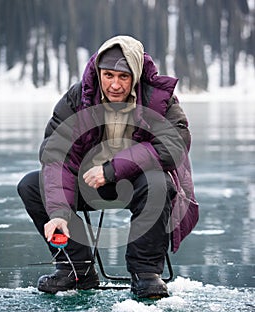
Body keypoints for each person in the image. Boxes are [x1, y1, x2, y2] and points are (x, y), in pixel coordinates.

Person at [18, 35, 199, 298]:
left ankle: (146, 273)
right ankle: (75, 268)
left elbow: (174, 146)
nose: (115, 84)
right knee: (32, 185)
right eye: (108, 75)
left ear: (135, 75)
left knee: (159, 183)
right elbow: (56, 154)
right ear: (98, 72)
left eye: (123, 77)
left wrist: (112, 170)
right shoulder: (77, 98)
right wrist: (57, 211)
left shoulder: (159, 99)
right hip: (86, 184)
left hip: (138, 185)